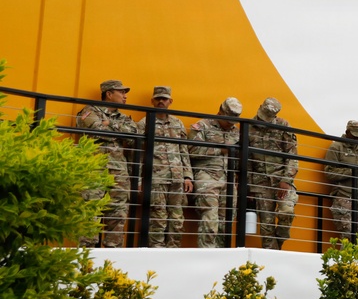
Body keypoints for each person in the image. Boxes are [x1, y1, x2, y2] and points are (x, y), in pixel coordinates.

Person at [76, 79, 138, 248]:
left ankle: (113, 258)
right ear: (109, 94)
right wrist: (118, 131)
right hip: (94, 168)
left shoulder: (123, 117)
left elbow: (134, 136)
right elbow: (96, 131)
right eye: (121, 92)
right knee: (90, 212)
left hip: (118, 171)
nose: (125, 96)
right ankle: (87, 258)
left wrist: (110, 124)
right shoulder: (89, 111)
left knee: (117, 214)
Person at [135, 86, 192, 247]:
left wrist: (187, 176)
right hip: (155, 179)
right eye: (158, 98)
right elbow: (138, 153)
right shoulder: (144, 123)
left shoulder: (177, 123)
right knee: (158, 220)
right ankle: (156, 254)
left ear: (170, 101)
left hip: (177, 179)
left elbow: (184, 150)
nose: (161, 101)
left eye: (164, 98)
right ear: (152, 101)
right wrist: (139, 179)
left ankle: (173, 254)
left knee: (177, 220)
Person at [189, 97, 243, 248]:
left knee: (226, 224)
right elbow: (191, 150)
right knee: (210, 221)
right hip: (207, 176)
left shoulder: (237, 132)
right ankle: (206, 259)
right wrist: (219, 149)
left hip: (229, 179)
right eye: (228, 120)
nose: (230, 124)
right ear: (220, 112)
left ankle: (221, 262)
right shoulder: (203, 126)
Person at [248, 97, 298, 250]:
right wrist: (248, 186)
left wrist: (286, 180)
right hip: (260, 183)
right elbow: (246, 160)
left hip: (281, 179)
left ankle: (279, 244)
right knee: (266, 227)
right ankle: (272, 258)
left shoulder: (284, 126)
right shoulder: (249, 127)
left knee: (287, 212)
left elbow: (292, 156)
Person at [324, 120, 358, 246]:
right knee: (347, 236)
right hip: (344, 196)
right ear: (347, 132)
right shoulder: (336, 147)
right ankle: (345, 265)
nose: (357, 138)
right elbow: (329, 172)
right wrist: (352, 171)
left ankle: (357, 265)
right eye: (354, 135)